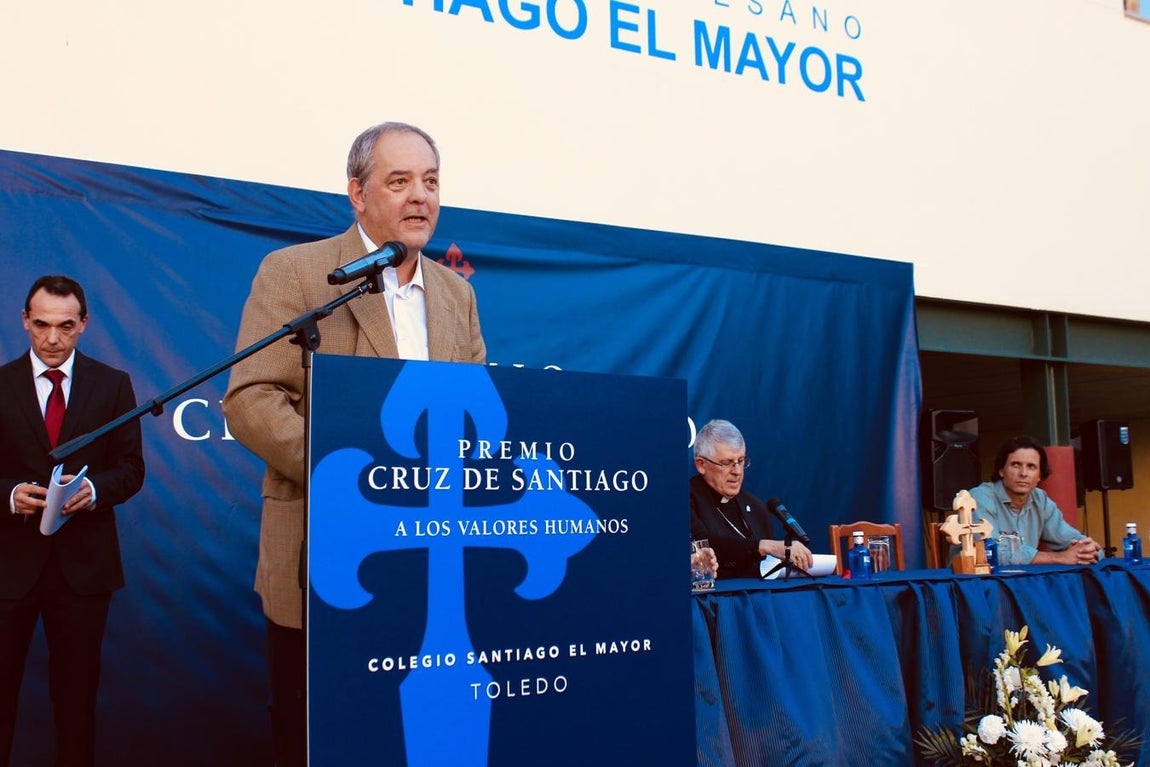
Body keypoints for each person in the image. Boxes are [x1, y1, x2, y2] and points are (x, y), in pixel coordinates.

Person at [224, 121, 486, 766]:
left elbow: (477, 414)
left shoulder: (457, 295)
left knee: (412, 736)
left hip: (434, 564)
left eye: (430, 181)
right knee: (316, 731)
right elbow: (251, 399)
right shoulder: (298, 273)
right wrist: (353, 476)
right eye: (399, 182)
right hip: (325, 555)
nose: (420, 197)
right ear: (357, 194)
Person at [0, 275, 145, 767]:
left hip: (83, 573)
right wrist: (12, 494)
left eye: (65, 326)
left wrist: (95, 490)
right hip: (8, 570)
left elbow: (131, 469)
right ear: (24, 321)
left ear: (84, 324)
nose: (52, 339)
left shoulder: (114, 385)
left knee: (77, 703)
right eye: (40, 325)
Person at [689, 419, 813, 578]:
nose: (737, 471)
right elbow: (703, 545)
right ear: (701, 465)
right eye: (727, 463)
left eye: (740, 461)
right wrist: (764, 546)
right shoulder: (685, 499)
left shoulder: (756, 506)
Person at [968, 435, 1101, 565]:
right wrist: (1060, 557)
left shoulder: (1040, 499)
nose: (1023, 473)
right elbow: (989, 552)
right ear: (1001, 470)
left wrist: (1089, 550)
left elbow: (1069, 537)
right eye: (1016, 465)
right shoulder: (981, 496)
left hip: (1022, 581)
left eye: (1031, 466)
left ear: (1039, 476)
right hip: (978, 582)